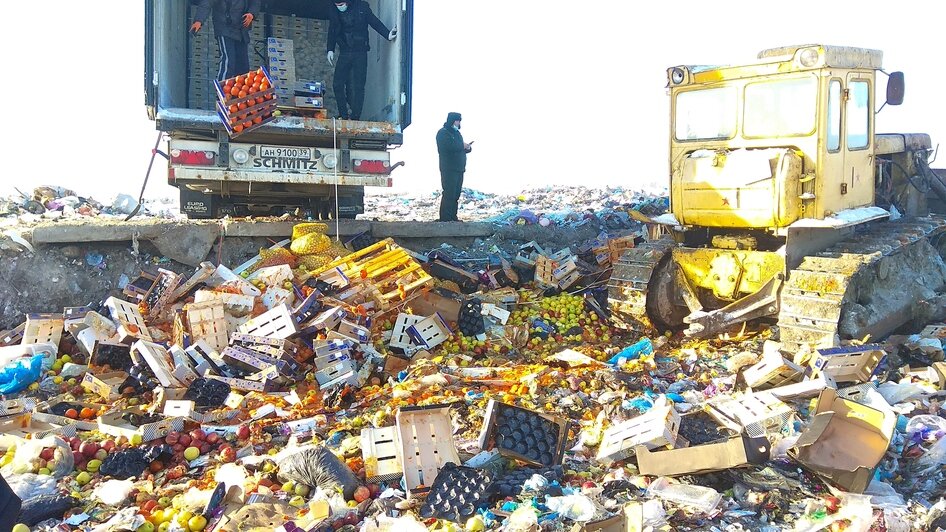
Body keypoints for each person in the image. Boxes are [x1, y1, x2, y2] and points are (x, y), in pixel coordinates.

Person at [326, 0, 397, 120]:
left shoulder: (362, 7)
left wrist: (387, 34)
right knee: (337, 84)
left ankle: (355, 117)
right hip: (345, 51)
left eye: (341, 5)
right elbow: (332, 29)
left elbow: (374, 22)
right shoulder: (334, 10)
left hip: (360, 51)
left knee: (359, 85)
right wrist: (330, 49)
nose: (339, 7)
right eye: (337, 5)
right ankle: (343, 115)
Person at [191, 0, 261, 81]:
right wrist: (198, 21)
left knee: (243, 66)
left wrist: (252, 14)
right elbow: (206, 3)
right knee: (228, 61)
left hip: (241, 29)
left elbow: (255, 2)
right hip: (224, 27)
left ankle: (239, 92)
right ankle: (221, 90)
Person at [436, 112, 473, 222]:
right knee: (449, 193)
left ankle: (453, 217)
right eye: (457, 120)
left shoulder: (457, 134)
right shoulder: (443, 133)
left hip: (459, 169)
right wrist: (462, 146)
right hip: (449, 169)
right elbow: (448, 147)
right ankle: (445, 218)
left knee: (456, 194)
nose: (459, 123)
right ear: (452, 120)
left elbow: (459, 147)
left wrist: (468, 148)